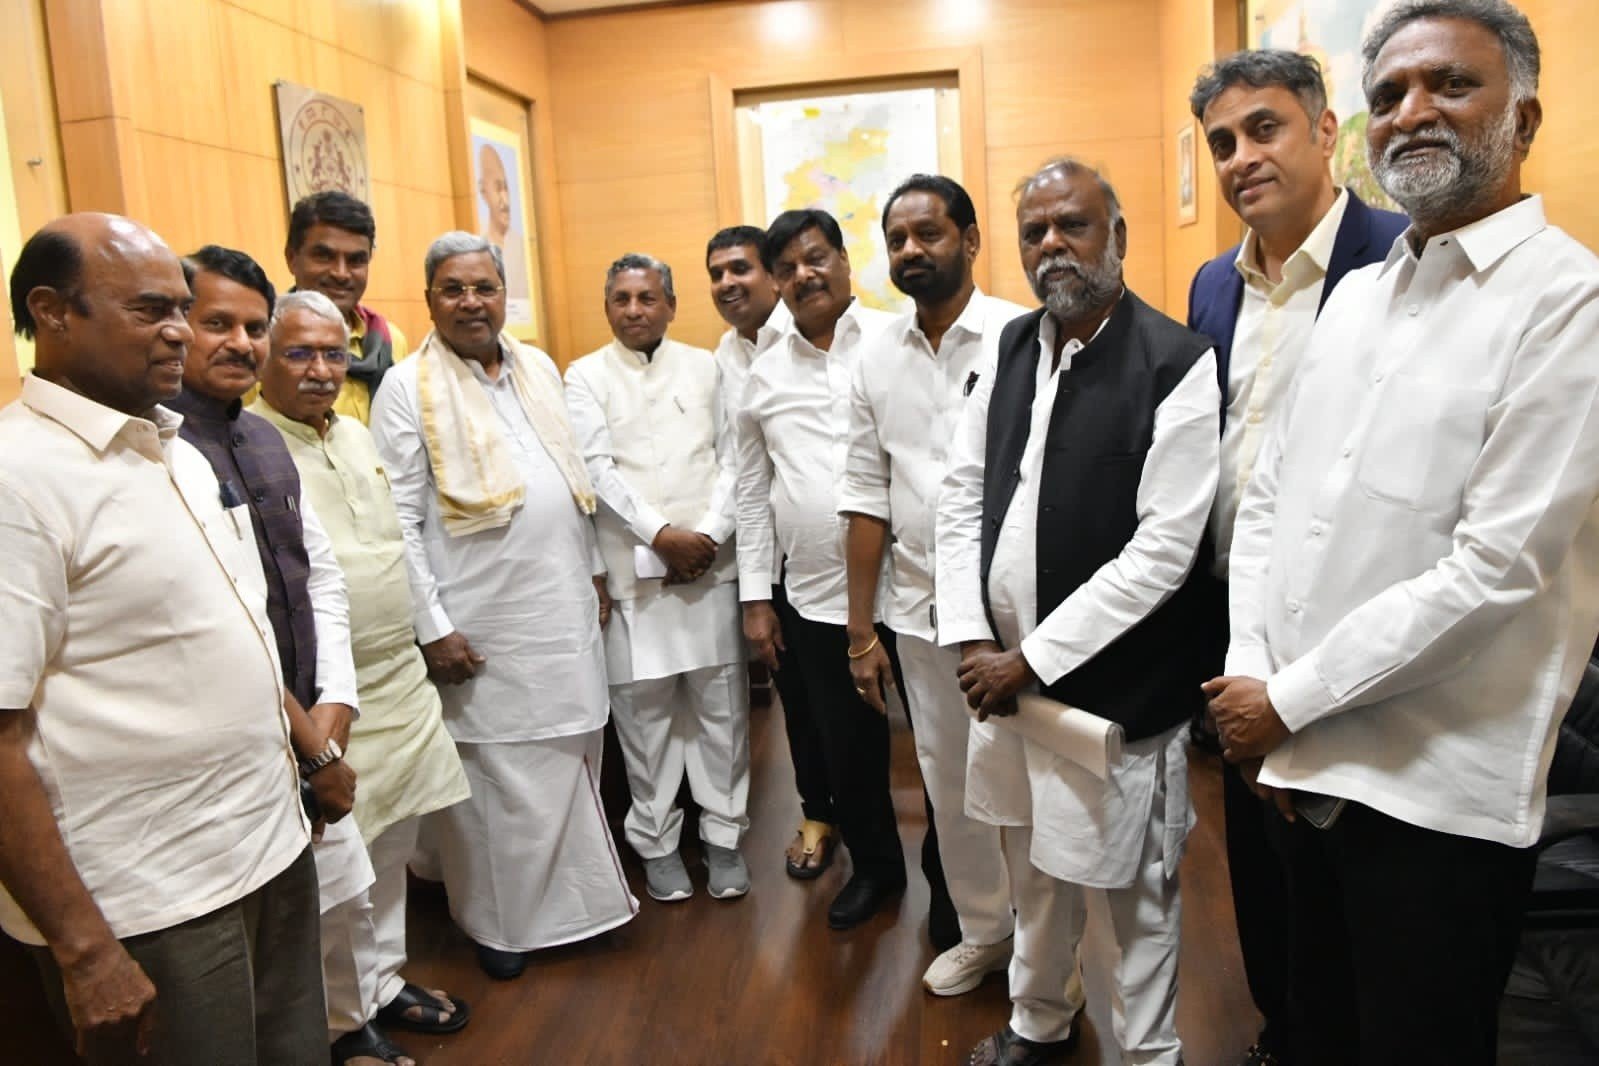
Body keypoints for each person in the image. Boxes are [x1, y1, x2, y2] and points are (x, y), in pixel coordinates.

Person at [1207, 3, 1599, 1063]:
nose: (1412, 111)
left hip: (1436, 797)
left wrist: (1282, 700)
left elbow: (1496, 570)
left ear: (1524, 118)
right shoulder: (1355, 299)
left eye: (1450, 85)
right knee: (1317, 1030)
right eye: (1388, 95)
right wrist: (1252, 676)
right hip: (1302, 764)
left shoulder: (1568, 300)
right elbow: (1270, 499)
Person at [0, 214, 323, 1064]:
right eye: (150, 310)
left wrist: (312, 753)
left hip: (270, 846)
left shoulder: (176, 452)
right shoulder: (17, 479)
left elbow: (229, 631)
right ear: (52, 311)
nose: (181, 330)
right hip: (148, 899)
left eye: (182, 307)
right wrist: (85, 950)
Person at [937, 159, 1219, 1066]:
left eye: (1073, 224)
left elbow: (1162, 552)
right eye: (1034, 232)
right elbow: (961, 494)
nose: (1051, 244)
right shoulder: (1008, 347)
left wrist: (1028, 659)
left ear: (1117, 235)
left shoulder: (1176, 362)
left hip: (1114, 693)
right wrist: (970, 634)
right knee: (1033, 868)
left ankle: (1150, 1054)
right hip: (1002, 683)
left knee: (1136, 890)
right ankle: (1039, 1024)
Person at [1186, 48, 1408, 1066]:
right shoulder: (1211, 284)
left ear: (1325, 132)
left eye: (1264, 128)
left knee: (1348, 871)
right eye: (1221, 142)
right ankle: (1280, 1028)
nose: (1241, 157)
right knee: (1258, 852)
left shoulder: (1398, 260)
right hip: (1233, 616)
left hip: (1354, 621)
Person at [371, 232, 637, 981]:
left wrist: (593, 571)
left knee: (569, 754)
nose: (470, 302)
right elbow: (398, 519)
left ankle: (574, 908)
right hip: (480, 621)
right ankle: (500, 923)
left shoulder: (537, 367)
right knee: (497, 779)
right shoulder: (406, 387)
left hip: (561, 606)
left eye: (484, 287)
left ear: (502, 295)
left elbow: (572, 482)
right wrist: (433, 628)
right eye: (453, 289)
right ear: (430, 300)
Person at [168, 246, 404, 1066]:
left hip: (308, 723)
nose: (240, 343)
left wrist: (333, 704)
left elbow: (318, 580)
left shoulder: (263, 441)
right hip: (244, 738)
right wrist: (314, 742)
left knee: (334, 903)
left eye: (252, 327)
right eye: (216, 324)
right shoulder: (163, 450)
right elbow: (223, 620)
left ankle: (353, 1024)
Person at [842, 173, 1052, 997]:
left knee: (1024, 784)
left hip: (1010, 616)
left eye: (927, 233)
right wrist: (861, 632)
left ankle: (1045, 949)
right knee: (950, 782)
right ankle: (983, 933)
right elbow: (865, 494)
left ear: (968, 240)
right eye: (896, 239)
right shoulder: (874, 356)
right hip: (917, 610)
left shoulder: (1021, 334)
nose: (910, 250)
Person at [253, 289, 475, 1064]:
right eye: (298, 353)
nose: (320, 370)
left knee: (391, 848)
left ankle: (381, 983)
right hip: (325, 695)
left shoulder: (353, 432)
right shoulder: (251, 446)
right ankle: (341, 1021)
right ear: (264, 358)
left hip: (396, 673)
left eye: (331, 353)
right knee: (339, 871)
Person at [735, 208, 907, 931]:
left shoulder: (899, 341)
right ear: (775, 284)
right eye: (787, 268)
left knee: (943, 744)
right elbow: (751, 490)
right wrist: (756, 598)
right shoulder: (763, 374)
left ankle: (963, 887)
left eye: (816, 258)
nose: (804, 275)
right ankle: (877, 870)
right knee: (848, 748)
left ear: (843, 261)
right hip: (815, 595)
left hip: (914, 587)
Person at [565, 253, 751, 901]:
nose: (634, 310)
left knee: (721, 713)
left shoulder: (708, 367)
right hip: (632, 575)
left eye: (647, 298)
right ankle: (657, 842)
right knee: (643, 722)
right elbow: (594, 468)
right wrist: (660, 535)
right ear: (607, 308)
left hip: (709, 566)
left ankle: (724, 837)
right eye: (621, 299)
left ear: (671, 305)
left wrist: (709, 536)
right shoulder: (584, 375)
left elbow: (735, 458)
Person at [707, 226, 834, 880]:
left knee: (859, 709)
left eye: (741, 269)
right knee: (800, 699)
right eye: (716, 274)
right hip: (773, 561)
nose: (728, 284)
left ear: (775, 277)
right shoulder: (724, 356)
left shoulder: (814, 335)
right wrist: (754, 592)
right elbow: (740, 473)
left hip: (846, 560)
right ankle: (818, 813)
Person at [284, 191, 410, 423]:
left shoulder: (390, 341)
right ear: (292, 258)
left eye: (356, 261)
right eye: (324, 256)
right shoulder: (266, 342)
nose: (341, 274)